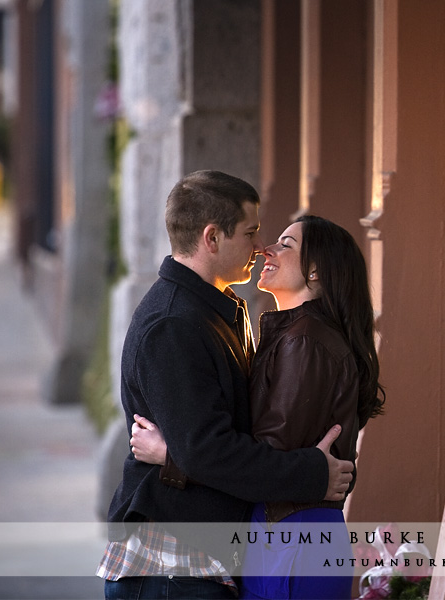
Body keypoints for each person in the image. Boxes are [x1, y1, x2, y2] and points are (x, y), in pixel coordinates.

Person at [98, 171, 354, 600]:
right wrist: (312, 473)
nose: (259, 247)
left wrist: (169, 452)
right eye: (250, 232)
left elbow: (217, 442)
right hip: (172, 570)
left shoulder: (220, 308)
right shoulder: (174, 324)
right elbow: (209, 451)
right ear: (212, 238)